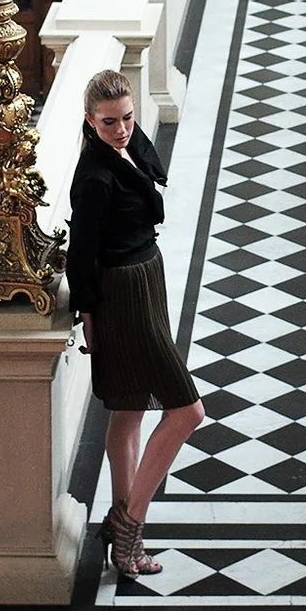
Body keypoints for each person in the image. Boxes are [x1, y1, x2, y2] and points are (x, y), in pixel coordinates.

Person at [68, 70, 207, 579]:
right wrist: (87, 313)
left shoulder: (126, 145)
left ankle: (123, 546)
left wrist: (125, 136)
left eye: (127, 117)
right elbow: (80, 253)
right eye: (108, 123)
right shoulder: (94, 178)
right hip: (122, 293)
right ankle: (128, 523)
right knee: (187, 411)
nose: (122, 129)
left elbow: (149, 170)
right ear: (89, 121)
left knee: (127, 410)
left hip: (146, 277)